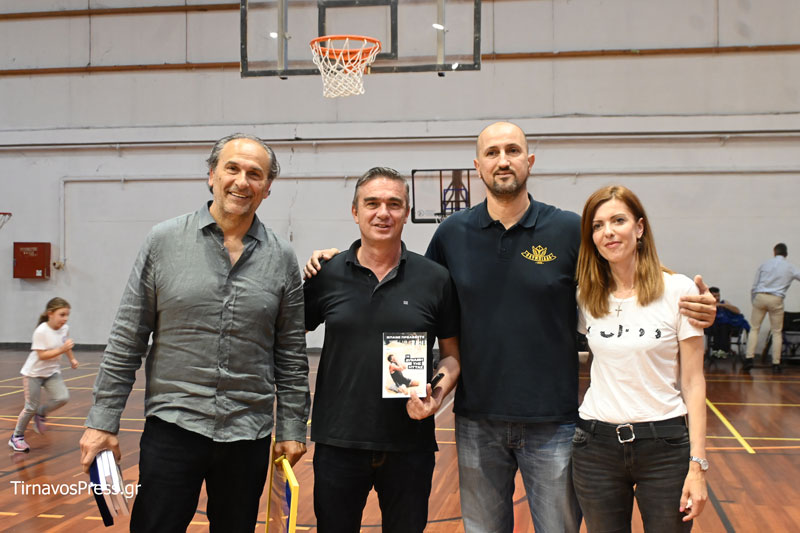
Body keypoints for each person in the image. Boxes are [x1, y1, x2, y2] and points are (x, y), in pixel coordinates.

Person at [304, 121, 717, 532]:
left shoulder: (567, 229)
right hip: (476, 420)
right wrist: (338, 262)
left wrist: (688, 299)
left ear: (529, 161)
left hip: (555, 422)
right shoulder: (451, 234)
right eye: (492, 152)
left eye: (513, 151)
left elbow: (620, 274)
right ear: (477, 166)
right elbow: (411, 289)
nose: (503, 160)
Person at [79, 133, 310, 532]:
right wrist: (102, 421)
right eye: (232, 168)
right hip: (173, 427)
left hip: (248, 433)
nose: (242, 181)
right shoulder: (163, 242)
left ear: (268, 187)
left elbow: (290, 354)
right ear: (211, 175)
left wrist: (292, 428)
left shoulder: (282, 257)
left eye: (255, 174)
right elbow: (127, 337)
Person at [303, 167, 460, 533]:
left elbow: (452, 355)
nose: (383, 213)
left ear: (406, 213)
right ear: (355, 212)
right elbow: (289, 335)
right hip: (338, 443)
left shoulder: (435, 278)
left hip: (410, 445)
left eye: (394, 204)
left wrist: (436, 395)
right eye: (372, 203)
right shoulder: (326, 273)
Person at [573, 185, 708, 532]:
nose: (608, 232)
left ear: (639, 227)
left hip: (664, 446)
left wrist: (697, 465)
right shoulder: (586, 296)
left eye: (618, 220)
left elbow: (693, 382)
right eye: (598, 225)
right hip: (595, 446)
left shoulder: (678, 290)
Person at [8, 297, 79, 453]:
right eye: (62, 314)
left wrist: (72, 358)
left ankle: (42, 413)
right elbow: (42, 356)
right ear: (50, 313)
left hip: (51, 372)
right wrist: (62, 350)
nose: (65, 318)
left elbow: (65, 344)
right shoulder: (41, 331)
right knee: (30, 407)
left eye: (67, 315)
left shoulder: (64, 328)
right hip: (33, 373)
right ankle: (16, 437)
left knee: (62, 398)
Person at [743, 243, 800, 372]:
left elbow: (754, 285)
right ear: (786, 254)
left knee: (754, 329)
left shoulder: (765, 265)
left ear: (774, 252)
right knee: (776, 332)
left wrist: (754, 300)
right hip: (776, 299)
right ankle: (776, 363)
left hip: (760, 296)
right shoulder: (790, 267)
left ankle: (749, 359)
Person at [706, 287, 750, 358]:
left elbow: (737, 311)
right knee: (717, 326)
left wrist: (722, 305)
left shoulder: (724, 302)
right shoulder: (706, 305)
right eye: (715, 296)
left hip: (725, 326)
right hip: (712, 326)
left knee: (724, 325)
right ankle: (717, 351)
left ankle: (723, 351)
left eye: (718, 296)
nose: (717, 298)